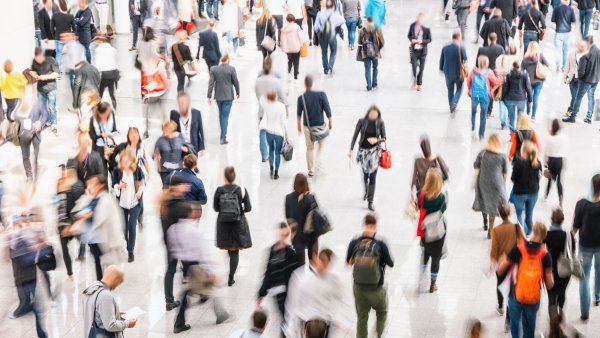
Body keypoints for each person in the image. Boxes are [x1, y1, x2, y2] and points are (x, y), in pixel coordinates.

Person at [168, 203, 231, 333]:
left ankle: (181, 320)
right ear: (188, 214)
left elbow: (174, 251)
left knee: (188, 291)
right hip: (196, 265)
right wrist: (211, 270)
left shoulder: (172, 229)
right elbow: (202, 253)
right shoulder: (193, 230)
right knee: (212, 286)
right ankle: (220, 314)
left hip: (185, 265)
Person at [498, 221, 554, 338]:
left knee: (514, 323)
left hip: (517, 294)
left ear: (533, 231)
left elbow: (501, 269)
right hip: (533, 298)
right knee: (529, 326)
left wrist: (502, 259)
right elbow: (549, 284)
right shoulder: (545, 254)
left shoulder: (519, 248)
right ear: (543, 236)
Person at [346, 213, 394, 338]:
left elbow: (348, 262)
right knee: (382, 312)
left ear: (365, 224)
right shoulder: (381, 242)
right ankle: (378, 335)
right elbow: (391, 263)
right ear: (375, 225)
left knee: (362, 318)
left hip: (358, 287)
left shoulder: (355, 241)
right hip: (376, 287)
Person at [71, 174, 125, 280]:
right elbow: (77, 210)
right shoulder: (89, 198)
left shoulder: (106, 199)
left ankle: (108, 280)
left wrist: (91, 214)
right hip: (92, 238)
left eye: (93, 183)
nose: (90, 185)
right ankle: (101, 282)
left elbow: (114, 221)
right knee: (97, 261)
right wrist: (80, 215)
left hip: (103, 238)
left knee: (106, 261)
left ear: (100, 186)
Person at [285, 249, 343, 337]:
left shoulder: (333, 280)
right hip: (305, 322)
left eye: (326, 264)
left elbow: (339, 299)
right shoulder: (301, 278)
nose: (323, 266)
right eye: (322, 261)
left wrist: (336, 318)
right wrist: (291, 328)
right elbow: (292, 304)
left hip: (324, 324)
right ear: (316, 258)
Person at [256, 222, 300, 335]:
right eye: (281, 235)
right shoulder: (272, 250)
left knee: (286, 320)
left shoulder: (291, 253)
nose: (283, 238)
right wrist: (261, 293)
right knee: (285, 319)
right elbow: (268, 272)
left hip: (288, 292)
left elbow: (296, 276)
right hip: (276, 292)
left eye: (285, 235)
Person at [214, 166, 252, 286]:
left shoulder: (219, 190)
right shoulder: (241, 189)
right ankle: (231, 277)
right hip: (238, 224)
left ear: (225, 178)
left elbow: (216, 208)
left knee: (229, 248)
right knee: (235, 252)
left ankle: (231, 268)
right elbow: (249, 208)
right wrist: (239, 211)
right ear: (234, 177)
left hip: (223, 225)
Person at [572, 174, 600, 321]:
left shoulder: (582, 204)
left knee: (584, 277)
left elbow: (575, 227)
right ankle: (597, 297)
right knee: (599, 272)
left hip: (585, 246)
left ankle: (584, 313)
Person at [490, 200, 525, 317]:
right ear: (509, 213)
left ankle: (500, 307)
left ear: (499, 213)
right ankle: (509, 319)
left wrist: (491, 262)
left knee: (500, 284)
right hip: (515, 263)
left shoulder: (496, 230)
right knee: (512, 289)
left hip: (501, 264)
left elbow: (494, 250)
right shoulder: (516, 227)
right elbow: (525, 242)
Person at [348, 105, 386, 211]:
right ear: (368, 113)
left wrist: (376, 140)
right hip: (363, 152)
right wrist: (351, 149)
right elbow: (355, 136)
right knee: (365, 175)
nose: (373, 116)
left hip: (374, 153)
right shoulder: (361, 121)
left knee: (373, 176)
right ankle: (366, 191)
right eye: (372, 114)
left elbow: (384, 138)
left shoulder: (380, 123)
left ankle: (370, 202)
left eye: (375, 115)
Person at [82, 266, 136, 337]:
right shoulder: (105, 296)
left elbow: (95, 314)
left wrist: (115, 314)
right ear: (115, 280)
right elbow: (110, 325)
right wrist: (128, 323)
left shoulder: (92, 288)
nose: (117, 285)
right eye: (119, 282)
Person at [417, 169, 447, 293]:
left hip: (425, 229)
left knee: (425, 252)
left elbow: (418, 206)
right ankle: (432, 284)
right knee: (436, 257)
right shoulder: (441, 196)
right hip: (438, 231)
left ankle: (422, 274)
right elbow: (443, 209)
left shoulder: (421, 194)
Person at [296, 75, 332, 177]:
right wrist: (330, 120)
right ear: (312, 84)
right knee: (321, 146)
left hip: (308, 128)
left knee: (309, 148)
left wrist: (298, 125)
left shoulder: (301, 97)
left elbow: (299, 114)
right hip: (320, 126)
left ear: (305, 84)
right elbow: (327, 109)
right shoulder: (321, 95)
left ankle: (310, 170)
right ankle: (318, 161)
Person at [112, 150, 144, 263]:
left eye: (128, 160)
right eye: (124, 160)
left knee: (131, 226)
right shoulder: (117, 170)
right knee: (124, 229)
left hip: (135, 202)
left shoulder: (137, 170)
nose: (126, 162)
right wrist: (119, 186)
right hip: (123, 203)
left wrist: (140, 191)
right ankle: (127, 241)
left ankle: (130, 251)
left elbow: (143, 181)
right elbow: (113, 185)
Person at [474, 134, 508, 238]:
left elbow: (475, 165)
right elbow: (505, 172)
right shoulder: (502, 155)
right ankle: (490, 230)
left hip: (483, 181)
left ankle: (484, 222)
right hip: (496, 183)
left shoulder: (482, 153)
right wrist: (503, 184)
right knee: (493, 205)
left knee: (484, 200)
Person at [255, 57, 288, 162]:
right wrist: (286, 107)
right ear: (271, 68)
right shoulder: (276, 81)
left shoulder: (258, 81)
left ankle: (264, 155)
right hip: (274, 110)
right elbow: (283, 96)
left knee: (262, 131)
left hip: (262, 110)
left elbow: (257, 94)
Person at [56, 166, 86, 280]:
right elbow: (57, 206)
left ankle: (82, 252)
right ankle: (70, 273)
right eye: (61, 172)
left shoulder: (72, 188)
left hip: (70, 222)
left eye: (64, 172)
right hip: (61, 222)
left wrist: (70, 225)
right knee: (64, 248)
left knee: (81, 237)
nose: (62, 174)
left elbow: (73, 209)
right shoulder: (58, 184)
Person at [563, 36, 600, 124]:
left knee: (578, 97)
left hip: (586, 80)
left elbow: (581, 71)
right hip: (595, 80)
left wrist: (580, 78)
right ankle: (589, 117)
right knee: (591, 97)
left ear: (587, 43)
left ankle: (572, 116)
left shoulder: (586, 55)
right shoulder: (598, 52)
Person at [285, 173, 320, 264]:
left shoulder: (288, 198)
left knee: (299, 263)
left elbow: (287, 216)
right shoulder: (311, 198)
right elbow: (317, 215)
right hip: (311, 234)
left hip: (297, 235)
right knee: (313, 260)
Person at [545, 208, 573, 316]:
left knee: (551, 297)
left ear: (552, 219)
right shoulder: (567, 235)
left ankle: (553, 322)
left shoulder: (546, 235)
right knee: (562, 292)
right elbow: (572, 252)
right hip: (564, 270)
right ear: (562, 220)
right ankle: (561, 313)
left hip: (550, 270)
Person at [13, 92, 47, 180]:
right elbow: (14, 116)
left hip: (36, 134)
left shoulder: (38, 103)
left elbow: (45, 115)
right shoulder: (19, 103)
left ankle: (35, 177)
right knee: (25, 157)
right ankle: (29, 176)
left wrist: (40, 123)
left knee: (35, 157)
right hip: (23, 134)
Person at [208, 54, 240, 144]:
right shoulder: (231, 69)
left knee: (221, 115)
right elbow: (236, 82)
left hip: (218, 96)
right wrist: (238, 92)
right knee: (225, 116)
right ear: (228, 60)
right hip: (228, 96)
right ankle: (223, 137)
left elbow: (211, 83)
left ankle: (223, 134)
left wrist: (209, 95)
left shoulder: (214, 69)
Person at [511, 140, 542, 235]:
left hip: (519, 193)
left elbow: (513, 178)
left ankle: (523, 233)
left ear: (523, 150)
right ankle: (529, 233)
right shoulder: (537, 163)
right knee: (529, 214)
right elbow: (539, 178)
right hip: (533, 193)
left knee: (519, 214)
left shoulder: (519, 162)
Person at [467, 55, 501, 140]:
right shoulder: (489, 72)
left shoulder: (473, 71)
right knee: (483, 116)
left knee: (473, 113)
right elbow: (497, 82)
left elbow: (468, 82)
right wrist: (492, 90)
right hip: (485, 96)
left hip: (474, 95)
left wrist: (469, 91)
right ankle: (481, 135)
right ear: (487, 63)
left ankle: (472, 130)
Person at [29, 47, 60, 133]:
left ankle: (53, 123)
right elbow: (32, 71)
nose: (38, 61)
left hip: (51, 88)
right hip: (40, 89)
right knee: (42, 107)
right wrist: (34, 75)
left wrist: (45, 77)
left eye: (39, 59)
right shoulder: (34, 61)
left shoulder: (51, 60)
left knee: (51, 107)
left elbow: (57, 74)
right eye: (36, 59)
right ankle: (46, 121)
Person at [260, 91, 288, 179]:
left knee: (271, 150)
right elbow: (283, 121)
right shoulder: (281, 106)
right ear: (276, 96)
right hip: (279, 132)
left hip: (269, 131)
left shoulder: (267, 106)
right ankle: (276, 173)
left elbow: (261, 99)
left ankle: (271, 168)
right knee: (277, 153)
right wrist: (286, 131)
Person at [439, 30, 468, 114]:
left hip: (447, 72)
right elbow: (465, 58)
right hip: (458, 72)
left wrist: (441, 69)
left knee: (450, 90)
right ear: (459, 37)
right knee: (460, 88)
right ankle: (454, 103)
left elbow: (442, 59)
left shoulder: (445, 47)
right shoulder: (461, 47)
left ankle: (451, 105)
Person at [314, 0, 345, 75]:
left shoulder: (319, 14)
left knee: (324, 53)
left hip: (322, 36)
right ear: (333, 6)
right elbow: (343, 20)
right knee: (333, 51)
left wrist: (321, 29)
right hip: (332, 35)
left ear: (325, 6)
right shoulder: (335, 14)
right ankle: (330, 67)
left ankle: (325, 69)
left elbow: (315, 27)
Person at [89, 102, 119, 173]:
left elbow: (114, 129)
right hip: (99, 148)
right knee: (102, 172)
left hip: (111, 146)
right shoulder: (93, 119)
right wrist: (101, 135)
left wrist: (113, 135)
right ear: (100, 113)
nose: (107, 116)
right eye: (105, 114)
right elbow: (92, 136)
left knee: (115, 170)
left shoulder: (111, 115)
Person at [154, 121, 186, 187]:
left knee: (177, 190)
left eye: (166, 129)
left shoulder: (180, 137)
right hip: (164, 170)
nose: (163, 131)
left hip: (178, 169)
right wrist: (157, 166)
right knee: (166, 189)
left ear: (171, 129)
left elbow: (186, 151)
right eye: (163, 129)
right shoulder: (160, 140)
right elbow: (156, 154)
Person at [495, 42, 520, 128]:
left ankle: (503, 121)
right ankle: (510, 117)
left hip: (502, 83)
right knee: (511, 102)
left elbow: (496, 68)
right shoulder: (517, 59)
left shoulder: (501, 58)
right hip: (513, 84)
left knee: (502, 101)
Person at [521, 42, 548, 119]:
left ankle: (528, 113)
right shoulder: (540, 56)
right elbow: (547, 64)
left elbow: (521, 69)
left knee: (529, 97)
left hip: (528, 81)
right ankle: (533, 116)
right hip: (539, 80)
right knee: (536, 97)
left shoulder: (525, 57)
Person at [502, 61, 532, 130]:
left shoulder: (509, 74)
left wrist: (503, 98)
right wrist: (530, 100)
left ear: (512, 65)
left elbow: (505, 87)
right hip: (521, 99)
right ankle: (518, 135)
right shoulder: (525, 74)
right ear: (520, 66)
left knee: (511, 118)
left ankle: (512, 136)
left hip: (510, 98)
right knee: (520, 119)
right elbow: (528, 88)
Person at [357, 16, 385, 91]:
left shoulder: (362, 30)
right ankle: (374, 84)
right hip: (375, 52)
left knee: (367, 69)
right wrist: (378, 48)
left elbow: (359, 42)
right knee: (375, 68)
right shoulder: (377, 28)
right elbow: (382, 41)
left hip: (366, 53)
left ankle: (369, 86)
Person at [93, 33, 119, 109]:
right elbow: (115, 60)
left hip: (104, 75)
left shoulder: (98, 49)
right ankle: (115, 110)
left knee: (99, 94)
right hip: (112, 73)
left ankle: (98, 110)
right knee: (112, 95)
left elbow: (97, 65)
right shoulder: (112, 48)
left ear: (99, 41)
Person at [544, 119, 566, 206]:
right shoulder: (563, 137)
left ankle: (546, 195)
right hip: (560, 160)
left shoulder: (550, 139)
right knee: (559, 181)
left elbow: (546, 152)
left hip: (552, 160)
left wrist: (545, 162)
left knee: (550, 179)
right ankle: (560, 199)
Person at [407, 12, 431, 91]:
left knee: (421, 68)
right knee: (414, 67)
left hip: (422, 51)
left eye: (420, 19)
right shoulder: (412, 26)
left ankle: (419, 84)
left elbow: (429, 39)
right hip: (414, 50)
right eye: (418, 18)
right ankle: (414, 80)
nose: (419, 20)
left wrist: (422, 41)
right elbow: (409, 35)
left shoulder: (426, 28)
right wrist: (412, 40)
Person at [564, 40, 587, 118]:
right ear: (578, 46)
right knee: (573, 95)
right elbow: (567, 66)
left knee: (575, 95)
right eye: (581, 46)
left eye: (584, 46)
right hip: (571, 77)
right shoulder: (571, 54)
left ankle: (571, 110)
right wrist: (564, 76)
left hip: (580, 79)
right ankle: (575, 109)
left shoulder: (587, 56)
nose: (582, 48)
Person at [551, 0, 576, 72]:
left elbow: (552, 21)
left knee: (557, 50)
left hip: (558, 32)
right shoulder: (571, 9)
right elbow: (573, 21)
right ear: (568, 1)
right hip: (567, 33)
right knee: (565, 51)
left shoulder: (556, 9)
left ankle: (557, 65)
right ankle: (564, 67)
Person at [52, 0, 75, 68]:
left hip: (58, 37)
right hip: (68, 38)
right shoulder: (70, 16)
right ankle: (72, 69)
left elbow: (51, 28)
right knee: (71, 54)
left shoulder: (55, 15)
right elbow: (74, 28)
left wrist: (55, 35)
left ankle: (58, 72)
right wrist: (73, 36)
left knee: (58, 54)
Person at [281, 14, 304, 80]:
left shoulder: (284, 28)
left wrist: (283, 48)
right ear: (294, 19)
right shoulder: (297, 27)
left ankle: (288, 73)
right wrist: (302, 43)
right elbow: (300, 37)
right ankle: (295, 75)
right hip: (296, 48)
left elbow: (282, 40)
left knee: (289, 61)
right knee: (296, 62)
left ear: (287, 20)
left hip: (288, 49)